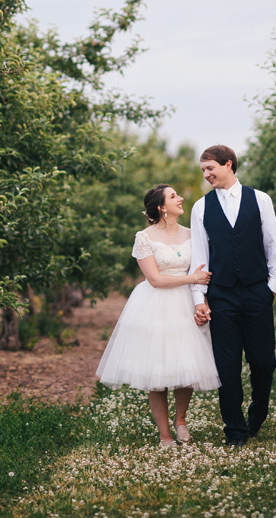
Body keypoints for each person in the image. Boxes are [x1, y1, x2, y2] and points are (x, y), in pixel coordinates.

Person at [96, 184, 220, 447]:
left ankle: (181, 420)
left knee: (187, 364)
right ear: (161, 207)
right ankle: (165, 435)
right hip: (155, 305)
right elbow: (154, 279)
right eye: (173, 196)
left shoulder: (193, 234)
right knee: (158, 372)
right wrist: (193, 277)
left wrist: (202, 299)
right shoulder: (144, 237)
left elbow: (202, 270)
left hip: (186, 302)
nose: (181, 198)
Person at [189, 145, 276, 447]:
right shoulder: (200, 207)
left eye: (210, 168)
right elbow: (200, 258)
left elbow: (274, 246)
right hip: (222, 295)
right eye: (203, 170)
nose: (206, 175)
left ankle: (257, 415)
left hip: (258, 292)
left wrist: (272, 288)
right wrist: (199, 298)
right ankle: (235, 430)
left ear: (228, 164)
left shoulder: (260, 200)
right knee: (226, 366)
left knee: (263, 363)